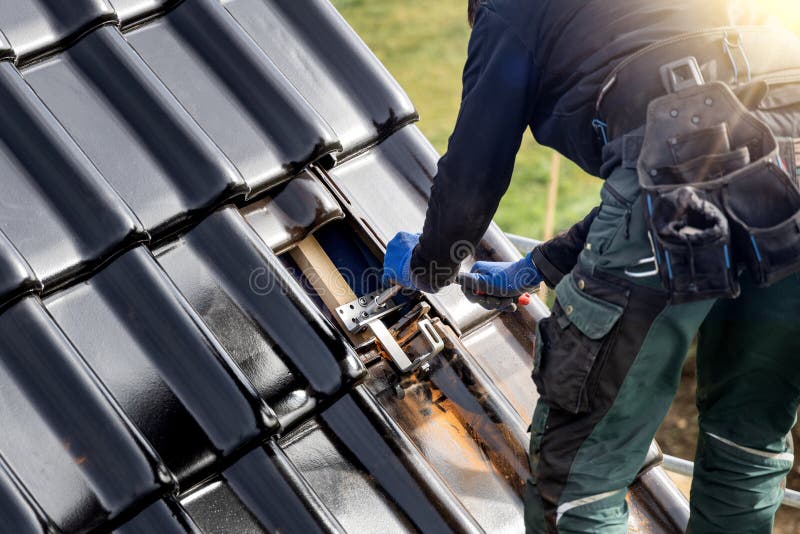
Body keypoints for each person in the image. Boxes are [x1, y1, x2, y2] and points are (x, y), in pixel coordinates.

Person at [382, 1, 800, 532]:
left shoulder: (510, 10)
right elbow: (694, 153)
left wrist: (429, 268)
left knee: (580, 482)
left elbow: (470, 180)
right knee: (747, 440)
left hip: (690, 170)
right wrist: (540, 264)